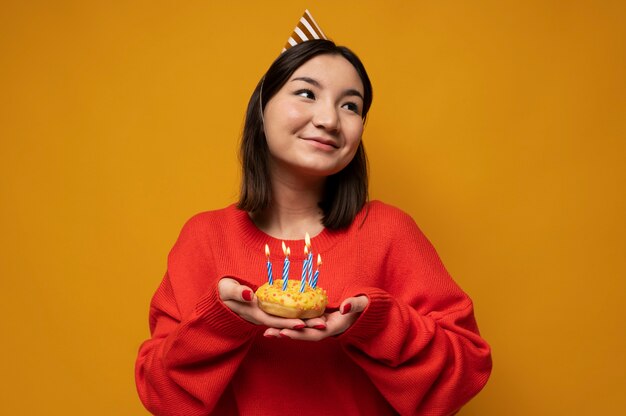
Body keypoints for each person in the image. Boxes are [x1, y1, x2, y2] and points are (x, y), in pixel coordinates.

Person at [135, 11, 492, 416]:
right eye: (306, 93)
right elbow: (160, 396)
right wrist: (220, 322)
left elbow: (466, 373)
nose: (328, 120)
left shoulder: (389, 231)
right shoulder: (205, 237)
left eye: (351, 106)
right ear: (262, 108)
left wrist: (377, 324)